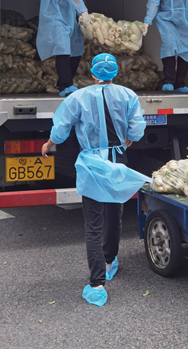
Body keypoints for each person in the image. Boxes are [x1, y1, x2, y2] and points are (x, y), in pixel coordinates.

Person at [41, 54, 148, 307]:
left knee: (93, 224)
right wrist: (129, 138)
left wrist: (48, 144)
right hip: (118, 159)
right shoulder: (128, 95)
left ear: (92, 73)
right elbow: (137, 128)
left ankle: (97, 283)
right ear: (115, 73)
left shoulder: (78, 97)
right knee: (114, 213)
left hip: (91, 163)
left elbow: (61, 128)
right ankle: (109, 261)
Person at [36, 0, 91, 97]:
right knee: (63, 47)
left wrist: (78, 11)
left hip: (67, 12)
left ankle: (63, 83)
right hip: (55, 11)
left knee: (76, 48)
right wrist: (83, 10)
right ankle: (66, 85)